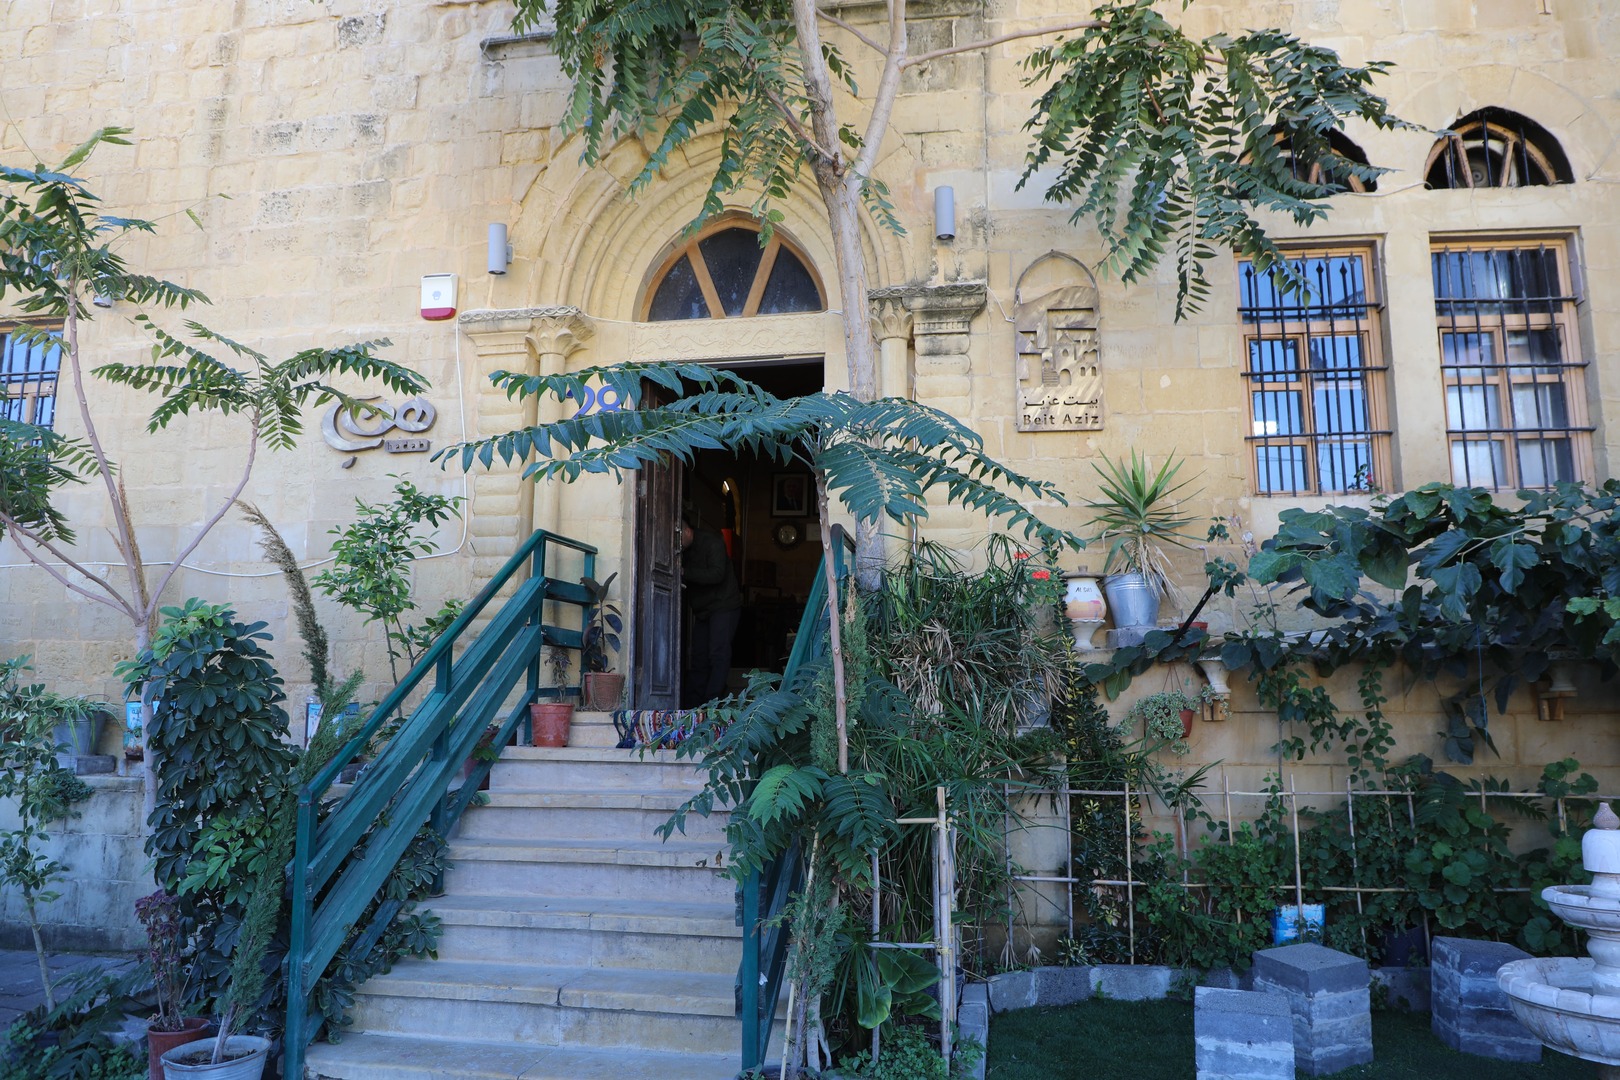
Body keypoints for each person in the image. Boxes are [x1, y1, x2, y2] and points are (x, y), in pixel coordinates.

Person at [680, 510, 741, 706]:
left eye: (678, 536)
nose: (676, 542)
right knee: (698, 657)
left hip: (724, 605)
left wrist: (684, 572)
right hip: (703, 610)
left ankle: (713, 702)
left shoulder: (712, 542)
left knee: (718, 653)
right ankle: (693, 705)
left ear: (687, 531)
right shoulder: (683, 550)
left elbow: (717, 574)